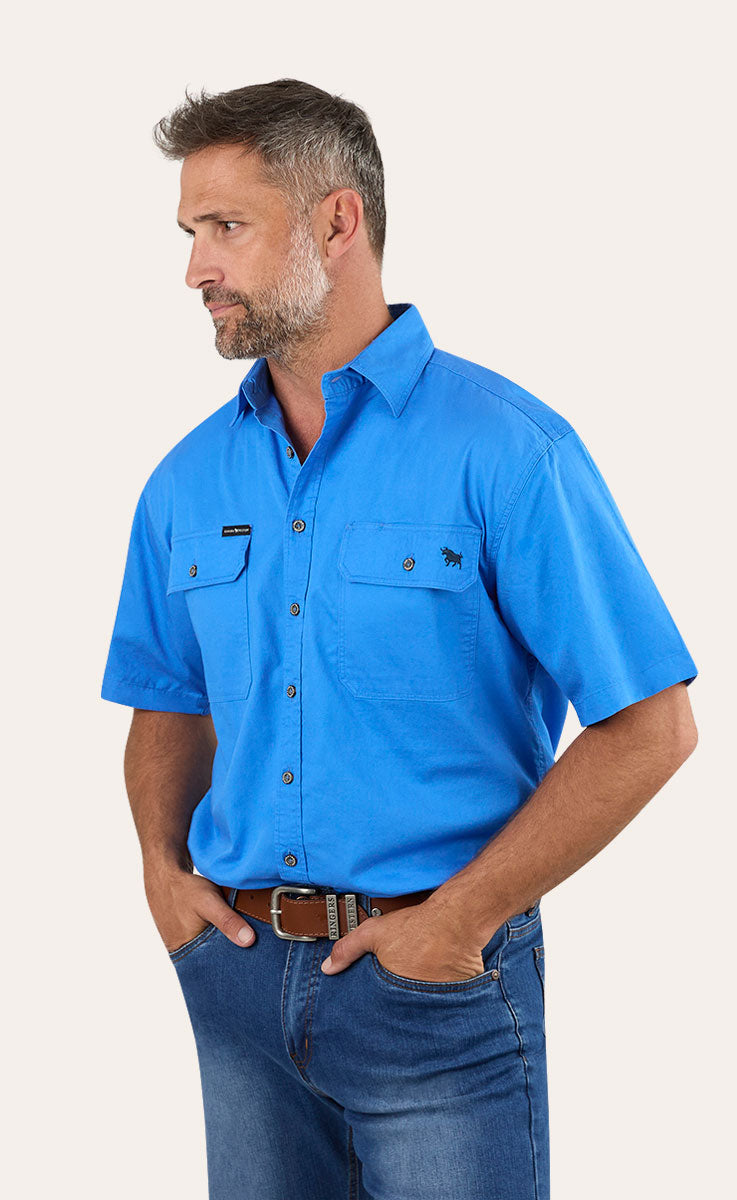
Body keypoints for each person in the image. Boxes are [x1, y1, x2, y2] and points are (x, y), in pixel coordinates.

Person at [100, 78, 699, 1200]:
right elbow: (168, 698)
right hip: (238, 985)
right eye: (189, 234)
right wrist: (161, 876)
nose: (195, 270)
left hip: (436, 987)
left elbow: (651, 725)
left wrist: (460, 922)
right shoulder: (185, 480)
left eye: (226, 227)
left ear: (337, 222)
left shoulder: (507, 451)